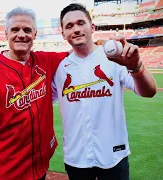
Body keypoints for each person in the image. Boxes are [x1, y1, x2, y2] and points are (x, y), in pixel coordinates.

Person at [0, 7, 69, 180]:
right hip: (5, 173)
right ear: (6, 34)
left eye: (27, 30)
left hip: (39, 168)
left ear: (35, 34)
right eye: (15, 29)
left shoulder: (46, 61)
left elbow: (79, 53)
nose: (21, 34)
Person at [51, 3, 157, 180]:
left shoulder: (116, 58)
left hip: (114, 154)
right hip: (76, 157)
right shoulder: (60, 68)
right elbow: (43, 102)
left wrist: (136, 68)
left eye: (80, 23)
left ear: (92, 27)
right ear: (63, 33)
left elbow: (150, 91)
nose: (76, 29)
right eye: (69, 26)